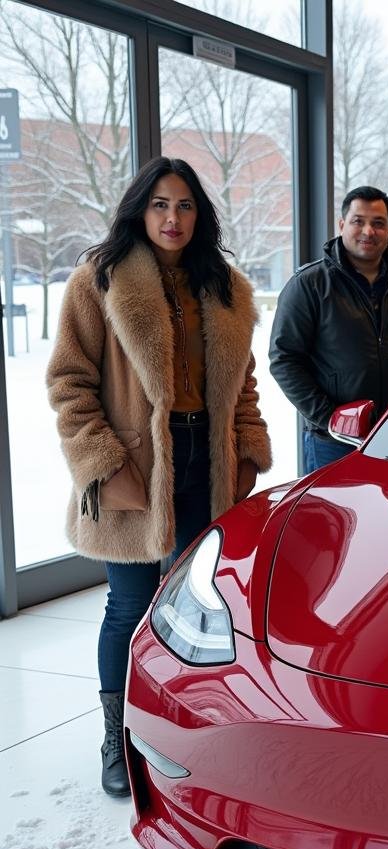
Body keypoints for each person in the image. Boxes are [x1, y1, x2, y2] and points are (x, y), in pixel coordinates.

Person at [47, 156, 272, 797]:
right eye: (160, 205)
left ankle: (180, 732)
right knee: (129, 606)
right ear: (140, 210)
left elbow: (243, 384)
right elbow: (69, 381)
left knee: (198, 605)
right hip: (136, 460)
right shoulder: (101, 278)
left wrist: (249, 451)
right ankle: (117, 741)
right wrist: (101, 463)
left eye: (185, 206)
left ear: (200, 216)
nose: (173, 218)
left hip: (209, 457)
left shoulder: (224, 286)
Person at [269, 185, 388, 473]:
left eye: (378, 223)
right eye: (358, 221)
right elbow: (284, 359)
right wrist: (329, 416)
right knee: (333, 519)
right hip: (332, 442)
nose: (368, 231)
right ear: (342, 224)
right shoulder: (309, 285)